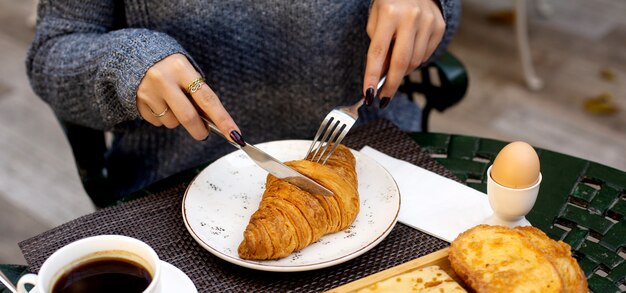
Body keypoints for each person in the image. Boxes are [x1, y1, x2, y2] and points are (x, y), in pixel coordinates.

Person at [27, 0, 461, 203]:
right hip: (181, 188)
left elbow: (442, 17)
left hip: (380, 168)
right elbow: (52, 50)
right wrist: (125, 64)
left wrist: (428, 8)